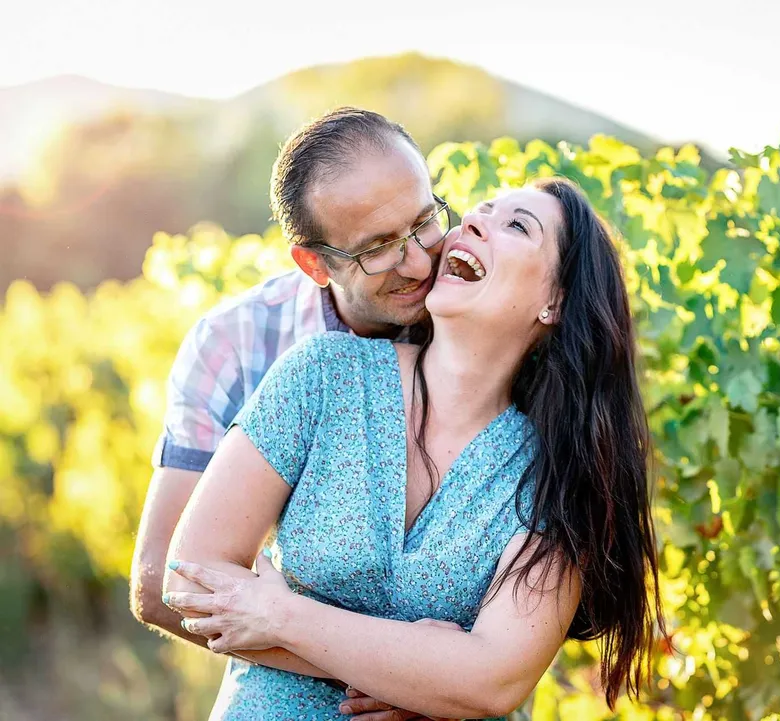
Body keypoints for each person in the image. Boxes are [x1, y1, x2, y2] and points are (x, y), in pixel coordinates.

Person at [162, 178, 663, 720]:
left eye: (517, 226)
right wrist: (422, 674)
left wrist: (282, 616)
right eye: (479, 212)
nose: (472, 223)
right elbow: (190, 577)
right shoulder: (323, 376)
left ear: (554, 302)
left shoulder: (556, 476)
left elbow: (491, 682)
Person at [130, 107, 448, 716]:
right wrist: (405, 676)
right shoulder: (236, 342)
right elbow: (163, 582)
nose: (417, 263)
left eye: (424, 222)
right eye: (377, 249)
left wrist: (458, 682)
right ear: (314, 264)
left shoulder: (484, 310)